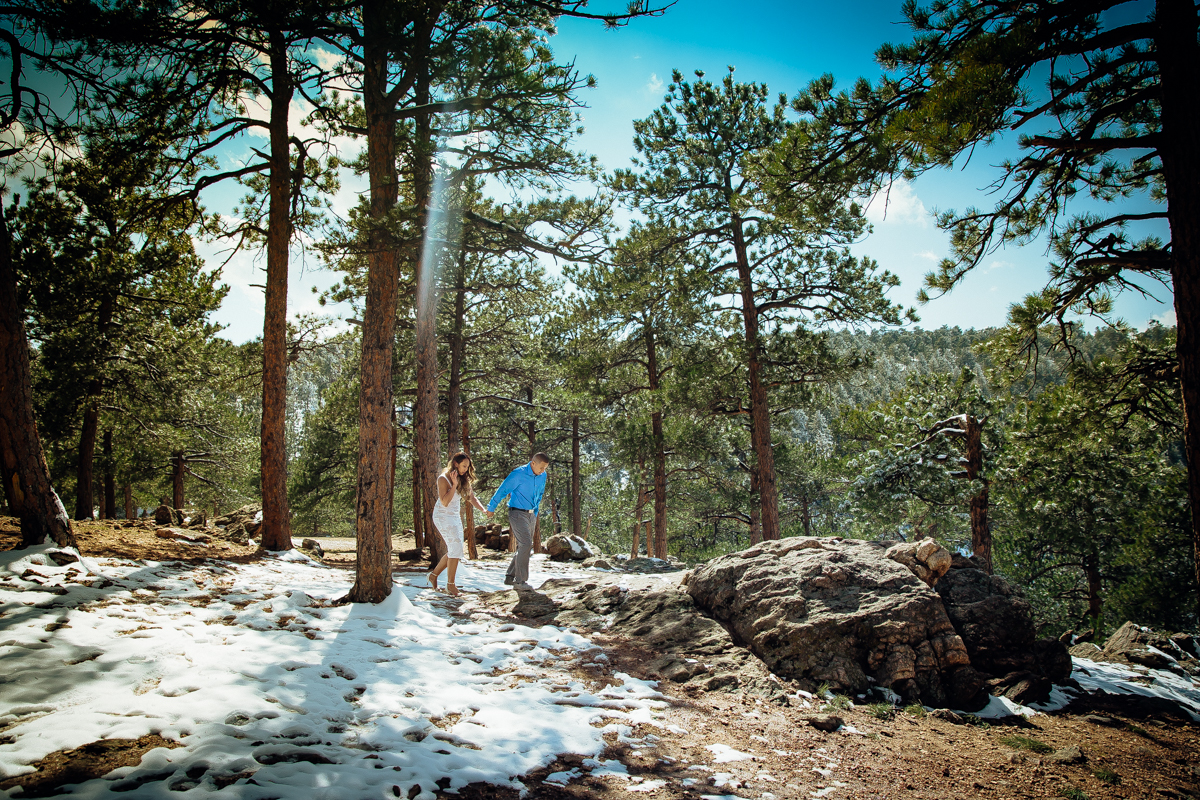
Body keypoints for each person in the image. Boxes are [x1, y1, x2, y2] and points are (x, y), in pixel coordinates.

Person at [427, 452, 488, 597]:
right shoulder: (443, 479)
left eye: (467, 467)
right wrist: (454, 485)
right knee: (454, 548)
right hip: (442, 515)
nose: (465, 470)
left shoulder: (463, 479)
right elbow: (445, 502)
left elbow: (471, 497)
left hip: (454, 516)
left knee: (456, 549)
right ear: (455, 464)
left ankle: (434, 576)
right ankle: (450, 585)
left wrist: (483, 510)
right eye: (464, 466)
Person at [487, 452, 549, 591]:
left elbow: (540, 493)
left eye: (545, 468)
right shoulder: (518, 474)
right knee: (526, 544)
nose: (543, 471)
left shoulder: (542, 475)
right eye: (541, 467)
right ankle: (520, 581)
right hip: (517, 513)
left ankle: (510, 576)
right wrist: (491, 507)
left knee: (524, 547)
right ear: (533, 463)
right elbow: (502, 490)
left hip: (532, 514)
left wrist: (536, 511)